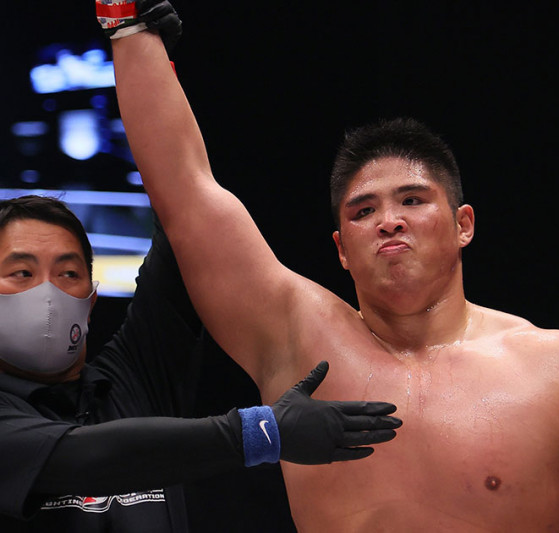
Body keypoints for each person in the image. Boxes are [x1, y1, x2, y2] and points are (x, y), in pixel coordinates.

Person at [104, 2, 559, 530]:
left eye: (413, 200)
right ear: (341, 248)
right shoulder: (296, 338)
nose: (389, 221)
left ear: (463, 224)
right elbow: (186, 191)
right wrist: (127, 24)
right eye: (364, 210)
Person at [0, 194, 400, 532]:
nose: (47, 295)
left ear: (90, 302)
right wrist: (263, 432)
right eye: (22, 272)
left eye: (68, 273)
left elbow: (180, 202)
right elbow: (88, 459)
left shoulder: (134, 379)